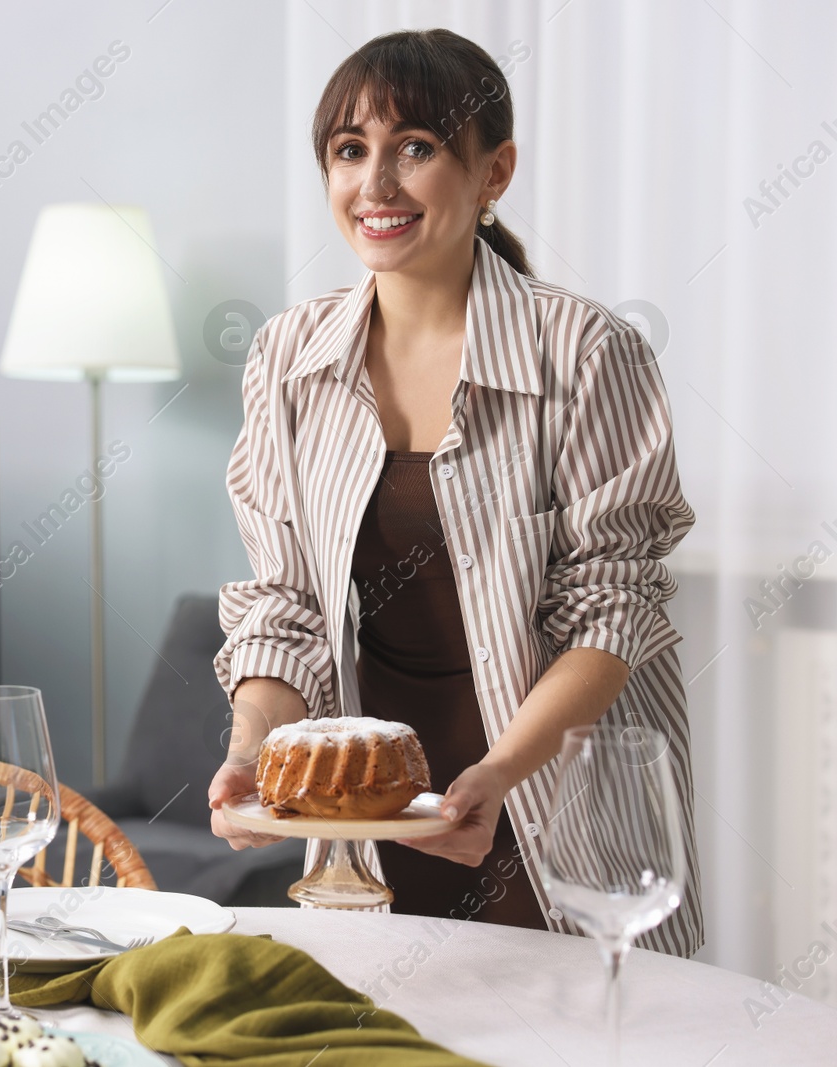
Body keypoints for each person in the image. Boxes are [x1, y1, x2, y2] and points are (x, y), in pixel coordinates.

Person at [206, 28, 703, 956]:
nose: (377, 185)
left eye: (417, 148)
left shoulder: (587, 353)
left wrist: (498, 775)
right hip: (370, 817)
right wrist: (249, 756)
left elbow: (612, 609)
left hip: (553, 792)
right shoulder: (288, 358)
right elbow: (287, 606)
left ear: (494, 172)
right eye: (350, 151)